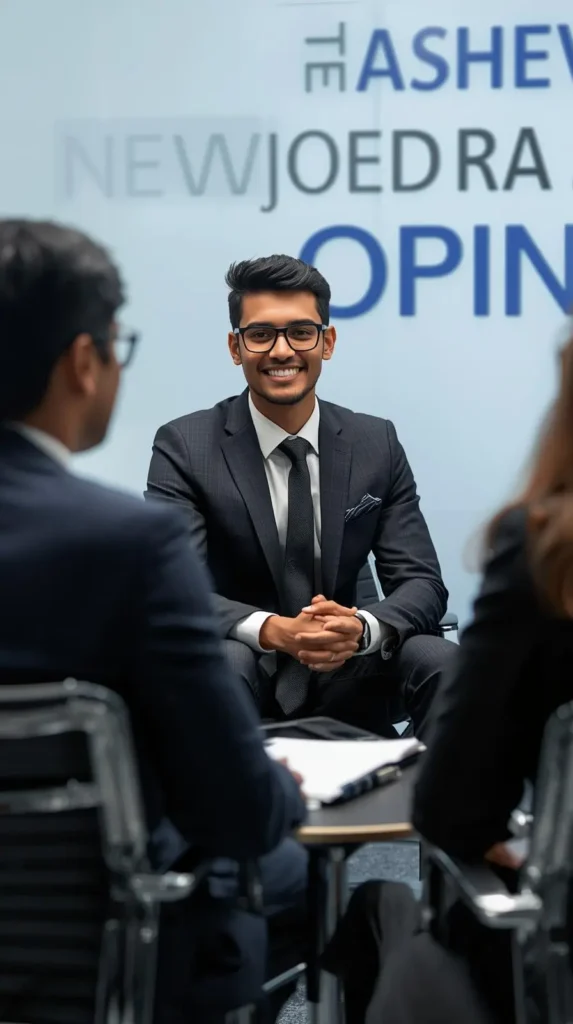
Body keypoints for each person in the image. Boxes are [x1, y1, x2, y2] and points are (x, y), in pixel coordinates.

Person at [0, 220, 307, 1024]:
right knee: (289, 872)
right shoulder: (125, 543)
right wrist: (284, 790)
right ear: (82, 361)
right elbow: (237, 811)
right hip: (102, 958)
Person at [323, 329, 573, 1023]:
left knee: (379, 909)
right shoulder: (187, 445)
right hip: (262, 658)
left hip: (548, 958)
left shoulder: (546, 556)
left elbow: (451, 812)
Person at [145, 255, 456, 737]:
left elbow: (421, 582)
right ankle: (229, 806)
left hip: (353, 667)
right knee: (222, 660)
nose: (282, 350)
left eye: (301, 332)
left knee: (442, 659)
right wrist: (274, 630)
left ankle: (436, 809)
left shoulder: (375, 441)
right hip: (244, 665)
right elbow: (173, 589)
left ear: (327, 342)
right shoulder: (186, 446)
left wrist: (361, 629)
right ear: (235, 346)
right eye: (261, 334)